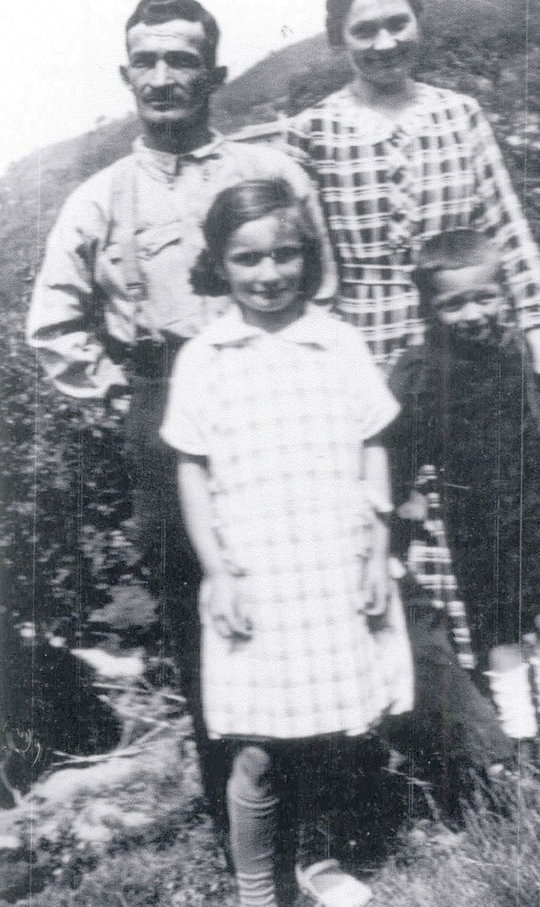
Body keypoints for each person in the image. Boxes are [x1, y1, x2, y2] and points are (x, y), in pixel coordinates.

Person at [26, 0, 336, 825]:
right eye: (148, 62)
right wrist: (127, 393)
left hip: (278, 397)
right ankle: (242, 817)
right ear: (127, 75)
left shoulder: (268, 174)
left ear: (215, 73)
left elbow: (325, 285)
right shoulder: (99, 198)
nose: (164, 77)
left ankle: (336, 809)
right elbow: (51, 324)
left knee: (304, 590)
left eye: (182, 59)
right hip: (165, 406)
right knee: (205, 613)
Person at [160, 178, 413, 907]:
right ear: (219, 264)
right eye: (248, 259)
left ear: (308, 255)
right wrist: (218, 571)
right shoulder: (207, 356)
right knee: (259, 747)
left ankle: (319, 859)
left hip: (332, 563)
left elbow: (373, 444)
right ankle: (254, 888)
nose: (269, 274)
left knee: (336, 730)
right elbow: (192, 471)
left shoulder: (336, 341)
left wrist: (375, 550)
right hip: (256, 573)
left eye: (285, 255)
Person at [285, 0, 540, 376]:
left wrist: (536, 319)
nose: (385, 44)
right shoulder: (311, 132)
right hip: (359, 360)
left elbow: (506, 227)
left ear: (418, 20)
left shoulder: (458, 113)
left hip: (464, 351)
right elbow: (298, 263)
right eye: (364, 30)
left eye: (397, 23)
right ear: (338, 37)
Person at [388, 230, 540, 745]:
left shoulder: (517, 351)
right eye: (453, 305)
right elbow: (399, 449)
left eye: (484, 298)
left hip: (535, 509)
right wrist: (403, 510)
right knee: (500, 630)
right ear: (429, 309)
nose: (472, 314)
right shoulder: (421, 372)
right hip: (476, 524)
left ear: (505, 295)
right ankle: (521, 733)